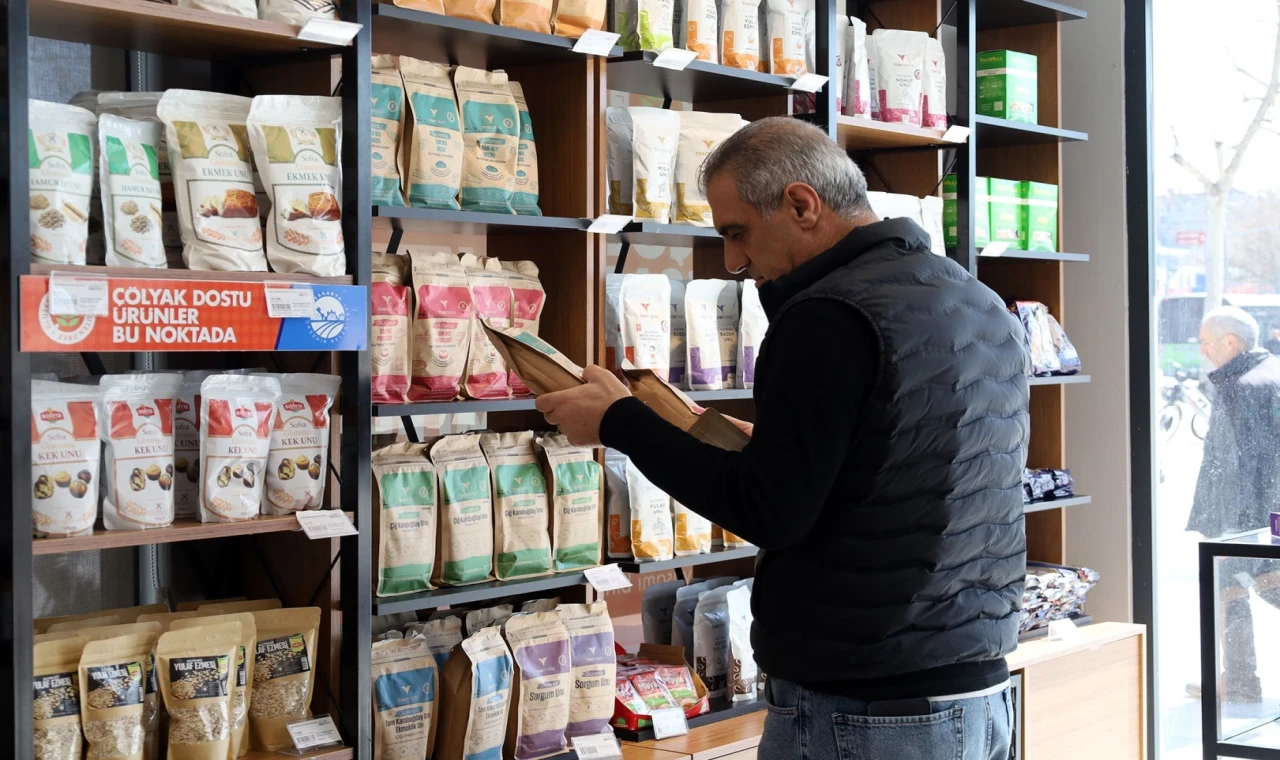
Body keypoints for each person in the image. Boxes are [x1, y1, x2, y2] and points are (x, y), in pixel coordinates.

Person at [536, 118, 1029, 759]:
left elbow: (772, 511)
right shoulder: (978, 300)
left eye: (737, 233)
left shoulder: (828, 316)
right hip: (978, 694)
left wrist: (618, 422)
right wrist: (776, 443)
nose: (734, 262)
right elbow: (909, 463)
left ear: (801, 204)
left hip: (866, 713)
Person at [1186, 306, 1280, 703]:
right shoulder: (1270, 372)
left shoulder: (1243, 385)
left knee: (1235, 589)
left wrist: (1223, 530)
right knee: (1245, 589)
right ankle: (1239, 681)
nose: (1203, 352)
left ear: (1230, 342)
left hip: (1247, 519)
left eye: (1206, 343)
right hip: (1267, 515)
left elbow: (1235, 465)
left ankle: (1241, 683)